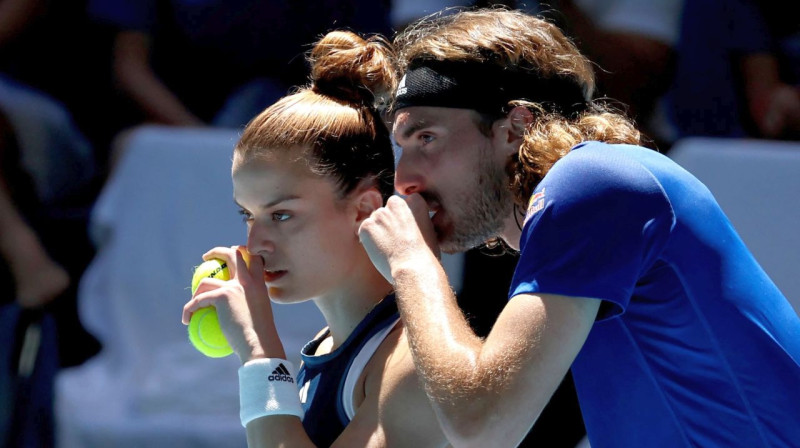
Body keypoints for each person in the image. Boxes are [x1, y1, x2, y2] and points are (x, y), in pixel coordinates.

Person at [357, 8, 800, 448]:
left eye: (426, 138)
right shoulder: (593, 199)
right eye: (403, 147)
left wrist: (411, 263)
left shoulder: (592, 180)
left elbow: (481, 425)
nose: (404, 179)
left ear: (515, 128)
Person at [181, 31, 449, 447]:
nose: (256, 245)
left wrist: (259, 353)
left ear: (363, 208)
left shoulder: (412, 362)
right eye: (247, 215)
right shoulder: (327, 349)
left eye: (282, 214)